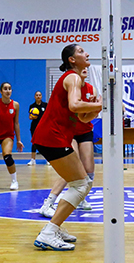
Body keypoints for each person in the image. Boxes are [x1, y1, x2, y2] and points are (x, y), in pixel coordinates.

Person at [31, 44, 102, 250]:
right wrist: (104, 105)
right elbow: (74, 106)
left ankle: (56, 226)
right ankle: (49, 231)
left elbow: (81, 116)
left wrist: (96, 106)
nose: (86, 54)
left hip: (54, 136)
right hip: (52, 136)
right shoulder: (73, 77)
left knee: (77, 183)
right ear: (72, 60)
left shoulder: (77, 81)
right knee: (81, 184)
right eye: (81, 52)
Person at [38, 67, 99, 217]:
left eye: (86, 69)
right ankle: (49, 202)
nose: (84, 69)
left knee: (89, 172)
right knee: (72, 169)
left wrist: (94, 109)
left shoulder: (92, 89)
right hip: (69, 132)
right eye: (81, 68)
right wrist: (100, 105)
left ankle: (79, 198)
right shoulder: (70, 82)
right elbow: (75, 107)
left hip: (84, 131)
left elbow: (84, 117)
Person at [28, 91, 46, 166]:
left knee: (46, 143)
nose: (38, 96)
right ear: (34, 97)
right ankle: (33, 160)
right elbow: (30, 117)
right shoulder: (32, 106)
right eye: (37, 95)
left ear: (41, 96)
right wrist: (32, 117)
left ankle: (48, 159)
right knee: (34, 143)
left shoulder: (45, 105)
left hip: (44, 127)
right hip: (34, 127)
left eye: (39, 95)